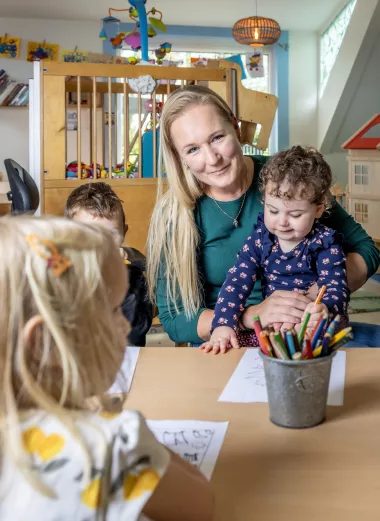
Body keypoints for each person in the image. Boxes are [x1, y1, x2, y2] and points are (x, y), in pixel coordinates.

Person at [0, 216, 214, 521]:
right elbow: (200, 504)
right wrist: (118, 427)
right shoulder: (110, 445)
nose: (126, 322)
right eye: (114, 309)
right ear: (44, 343)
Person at [146, 85, 379, 351]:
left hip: (312, 327)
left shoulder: (287, 180)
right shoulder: (174, 214)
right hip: (230, 342)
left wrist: (316, 297)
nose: (212, 159)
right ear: (179, 156)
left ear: (235, 127)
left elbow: (367, 250)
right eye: (192, 149)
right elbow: (175, 320)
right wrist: (251, 316)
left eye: (217, 137)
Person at [200, 146, 349, 353]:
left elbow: (335, 286)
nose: (282, 222)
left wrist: (323, 308)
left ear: (318, 210)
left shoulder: (325, 242)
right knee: (248, 347)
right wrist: (223, 324)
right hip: (275, 322)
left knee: (318, 340)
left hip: (315, 322)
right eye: (272, 210)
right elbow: (236, 282)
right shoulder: (261, 240)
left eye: (295, 215)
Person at [65, 182, 152, 346]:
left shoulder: (133, 274)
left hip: (125, 359)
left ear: (123, 233)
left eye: (110, 234)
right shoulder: (64, 275)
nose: (101, 244)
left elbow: (135, 333)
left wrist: (119, 281)